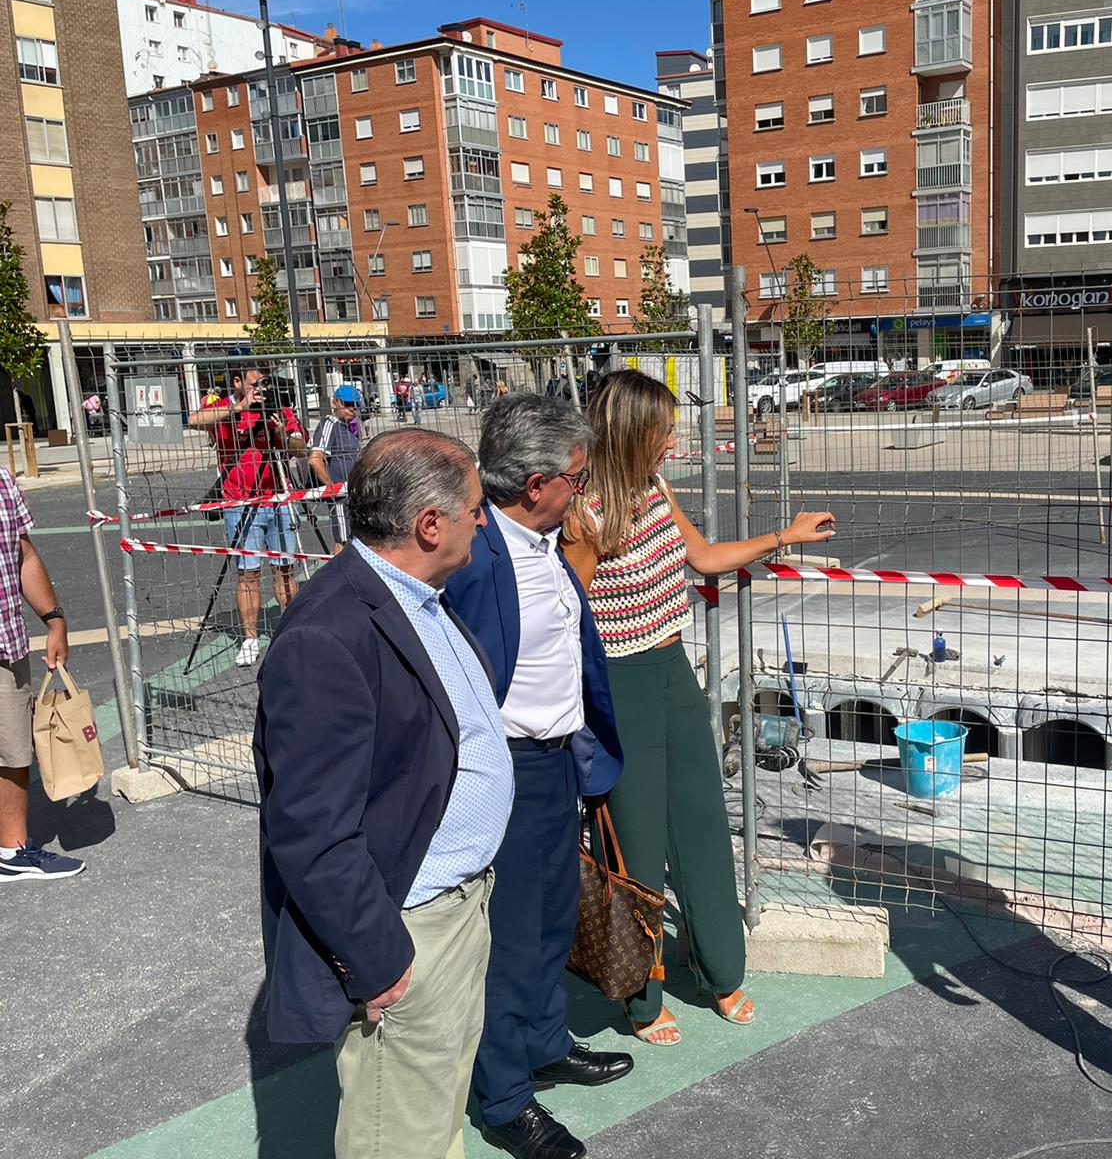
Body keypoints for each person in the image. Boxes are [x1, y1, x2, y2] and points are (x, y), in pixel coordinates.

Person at [254, 429, 513, 1159]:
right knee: (399, 1138)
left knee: (434, 1121)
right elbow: (310, 831)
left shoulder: (417, 595)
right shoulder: (328, 634)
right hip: (409, 929)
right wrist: (380, 958)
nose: (484, 522)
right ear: (429, 525)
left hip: (457, 907)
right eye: (475, 510)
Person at [562, 370, 834, 1046]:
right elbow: (567, 614)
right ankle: (638, 994)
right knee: (635, 846)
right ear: (632, 432)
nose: (673, 439)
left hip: (673, 673)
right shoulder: (586, 512)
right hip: (617, 687)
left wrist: (784, 537)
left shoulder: (654, 487)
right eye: (664, 429)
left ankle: (718, 967)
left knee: (704, 824)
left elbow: (705, 556)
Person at [446, 395, 631, 1159]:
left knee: (554, 918)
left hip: (559, 764)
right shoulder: (477, 556)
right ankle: (504, 1097)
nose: (582, 493)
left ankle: (545, 1041)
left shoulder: (546, 541)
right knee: (511, 935)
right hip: (509, 771)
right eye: (576, 481)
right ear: (534, 482)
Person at [188, 368, 305, 668]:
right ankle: (250, 638)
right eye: (255, 385)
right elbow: (193, 420)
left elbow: (299, 448)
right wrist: (239, 408)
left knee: (285, 569)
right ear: (238, 383)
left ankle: (290, 628)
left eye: (264, 384)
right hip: (239, 500)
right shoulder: (228, 407)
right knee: (248, 572)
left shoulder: (277, 405)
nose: (260, 390)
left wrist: (280, 432)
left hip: (277, 496)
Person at [0, 468, 81, 882]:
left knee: (13, 748)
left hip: (3, 640)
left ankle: (12, 851)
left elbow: (23, 554)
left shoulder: (0, 479)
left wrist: (54, 620)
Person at [308, 386, 364, 555]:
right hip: (340, 497)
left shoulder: (346, 427)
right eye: (348, 404)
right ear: (336, 402)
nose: (352, 409)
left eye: (356, 405)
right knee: (343, 542)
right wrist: (332, 488)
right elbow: (315, 459)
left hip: (352, 496)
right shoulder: (330, 423)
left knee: (354, 541)